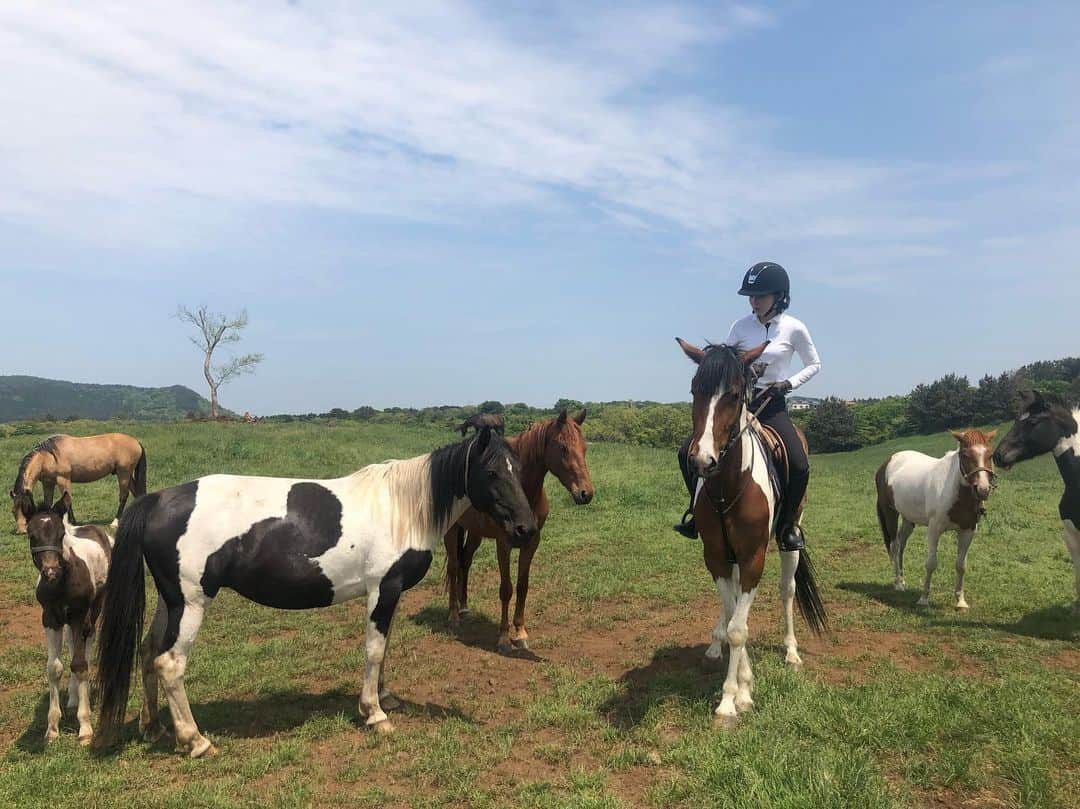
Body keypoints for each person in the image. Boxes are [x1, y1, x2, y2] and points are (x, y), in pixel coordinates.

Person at [674, 261, 821, 551]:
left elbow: (815, 364)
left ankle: (788, 525)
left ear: (779, 296)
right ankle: (696, 512)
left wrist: (788, 384)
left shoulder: (794, 328)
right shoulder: (739, 327)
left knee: (799, 463)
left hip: (773, 405)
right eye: (750, 296)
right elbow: (724, 363)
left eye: (760, 295)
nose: (753, 301)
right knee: (685, 453)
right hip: (740, 404)